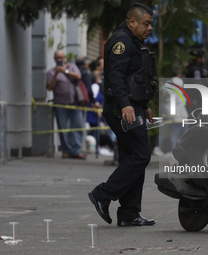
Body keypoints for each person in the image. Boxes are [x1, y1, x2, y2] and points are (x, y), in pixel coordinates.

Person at [88, 3, 157, 226]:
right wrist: (126, 105)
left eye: (151, 24)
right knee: (141, 155)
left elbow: (134, 77)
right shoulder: (122, 42)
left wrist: (144, 106)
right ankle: (103, 194)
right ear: (132, 22)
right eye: (146, 23)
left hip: (131, 107)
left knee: (132, 158)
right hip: (121, 110)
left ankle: (129, 214)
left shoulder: (134, 42)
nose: (150, 28)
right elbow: (115, 77)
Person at [46, 50, 86, 159]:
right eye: (57, 58)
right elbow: (49, 87)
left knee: (77, 127)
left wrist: (65, 71)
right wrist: (56, 74)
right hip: (60, 104)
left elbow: (78, 76)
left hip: (75, 102)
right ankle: (65, 150)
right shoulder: (51, 72)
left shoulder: (72, 66)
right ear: (54, 59)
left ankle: (76, 151)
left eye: (61, 57)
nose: (59, 60)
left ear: (64, 58)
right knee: (63, 128)